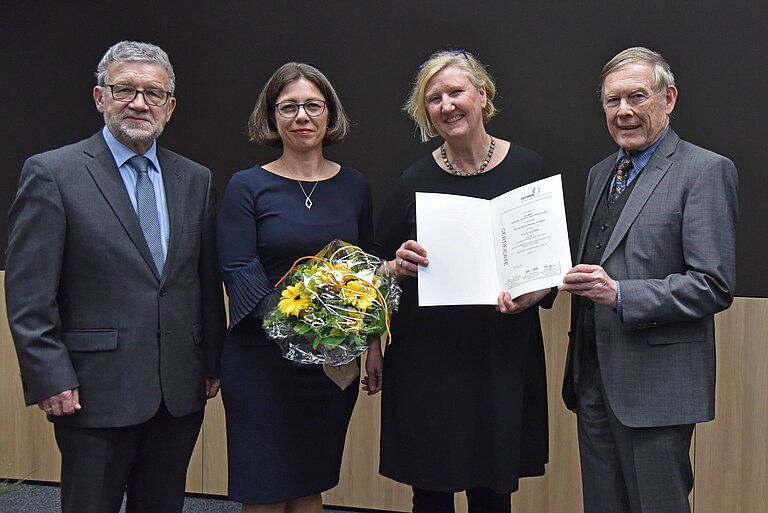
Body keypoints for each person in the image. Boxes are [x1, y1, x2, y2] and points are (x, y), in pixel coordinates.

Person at [4, 41, 226, 513]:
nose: (139, 103)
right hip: (93, 391)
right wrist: (49, 376)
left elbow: (204, 283)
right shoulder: (53, 173)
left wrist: (211, 361)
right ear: (100, 97)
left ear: (170, 106)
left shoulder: (195, 178)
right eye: (125, 89)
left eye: (153, 93)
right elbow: (29, 293)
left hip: (178, 391)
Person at [372, 49, 555, 513]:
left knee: (493, 494)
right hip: (428, 361)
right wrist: (396, 265)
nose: (447, 105)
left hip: (500, 356)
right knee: (431, 493)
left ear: (483, 95)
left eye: (456, 92)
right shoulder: (412, 181)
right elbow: (374, 269)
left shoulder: (529, 169)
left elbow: (550, 267)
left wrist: (535, 292)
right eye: (434, 99)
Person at [559, 47, 738, 513]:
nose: (623, 111)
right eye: (612, 100)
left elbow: (713, 284)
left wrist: (620, 294)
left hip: (657, 391)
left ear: (668, 98)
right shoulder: (600, 174)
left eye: (637, 96)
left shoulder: (705, 170)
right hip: (592, 382)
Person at [216, 62, 380, 513]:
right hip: (260, 362)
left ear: (330, 113)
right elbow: (239, 273)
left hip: (330, 364)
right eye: (288, 107)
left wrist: (371, 342)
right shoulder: (247, 186)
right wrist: (309, 321)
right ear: (272, 117)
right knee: (264, 491)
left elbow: (367, 270)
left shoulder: (355, 186)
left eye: (313, 105)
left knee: (310, 483)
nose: (301, 116)